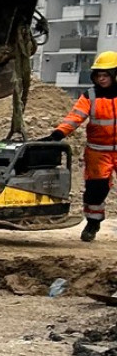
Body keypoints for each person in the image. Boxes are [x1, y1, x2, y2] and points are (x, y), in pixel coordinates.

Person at [46, 51, 117, 242]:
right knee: (96, 191)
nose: (101, 79)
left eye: (106, 76)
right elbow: (75, 117)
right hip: (98, 153)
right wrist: (58, 134)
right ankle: (93, 224)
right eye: (98, 76)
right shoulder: (90, 96)